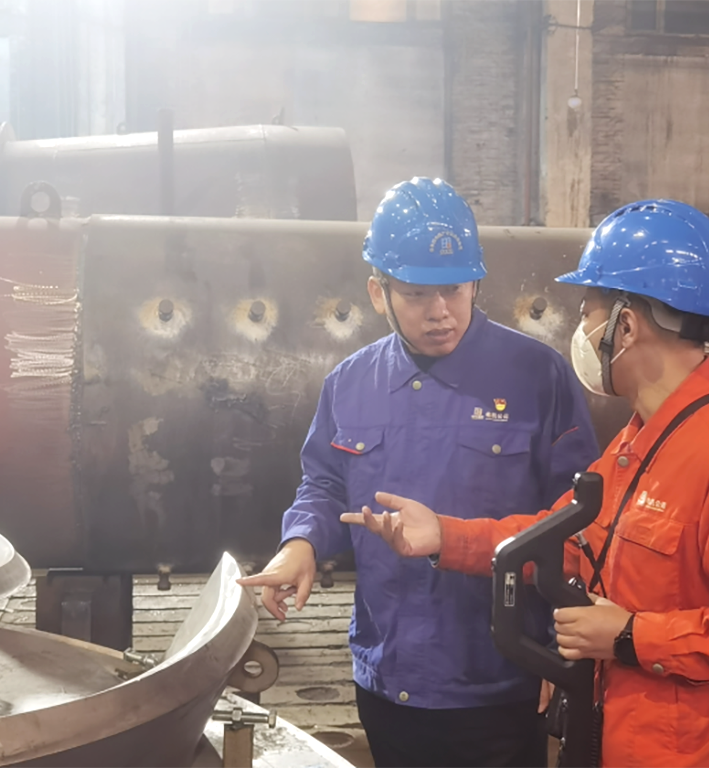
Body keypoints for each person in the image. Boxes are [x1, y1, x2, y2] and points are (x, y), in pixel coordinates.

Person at [342, 199, 709, 768]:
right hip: (619, 738)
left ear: (626, 326)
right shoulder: (637, 445)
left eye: (588, 312)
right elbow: (562, 541)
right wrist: (446, 537)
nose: (582, 331)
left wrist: (628, 637)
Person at [238, 177, 599, 768]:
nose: (439, 312)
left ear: (475, 281)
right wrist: (301, 543)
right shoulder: (351, 383)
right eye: (415, 294)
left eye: (454, 289)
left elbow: (579, 524)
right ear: (378, 293)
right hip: (389, 674)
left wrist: (557, 653)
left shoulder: (539, 376)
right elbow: (324, 483)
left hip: (500, 676)